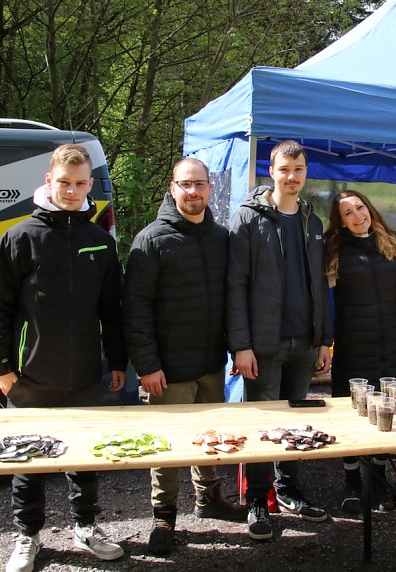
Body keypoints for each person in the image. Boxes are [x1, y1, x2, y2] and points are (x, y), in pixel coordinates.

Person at [0, 144, 127, 572]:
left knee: (84, 454)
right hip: (30, 375)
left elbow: (111, 311)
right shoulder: (20, 236)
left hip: (84, 373)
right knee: (27, 459)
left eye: (81, 183)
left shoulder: (99, 241)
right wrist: (0, 367)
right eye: (64, 182)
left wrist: (116, 362)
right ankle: (27, 536)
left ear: (88, 186)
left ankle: (86, 526)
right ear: (49, 181)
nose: (72, 191)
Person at [122, 158, 246, 556]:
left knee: (210, 440)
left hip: (210, 362)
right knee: (169, 446)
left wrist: (233, 346)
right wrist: (147, 366)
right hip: (167, 370)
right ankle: (164, 514)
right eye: (186, 185)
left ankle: (209, 499)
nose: (193, 192)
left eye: (200, 185)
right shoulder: (151, 240)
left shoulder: (221, 238)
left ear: (210, 188)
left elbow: (231, 300)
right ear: (172, 187)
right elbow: (135, 309)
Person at [227, 140, 333, 540]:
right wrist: (240, 344)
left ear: (306, 173)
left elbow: (319, 286)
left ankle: (289, 490)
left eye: (299, 169)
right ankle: (257, 498)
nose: (292, 177)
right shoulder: (247, 218)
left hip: (305, 343)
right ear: (270, 170)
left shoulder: (313, 222)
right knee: (263, 424)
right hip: (263, 345)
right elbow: (235, 286)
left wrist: (324, 339)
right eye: (285, 169)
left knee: (297, 423)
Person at [325, 190, 396, 513]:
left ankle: (381, 482)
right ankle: (352, 483)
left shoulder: (394, 241)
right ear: (341, 222)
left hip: (392, 347)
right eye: (348, 213)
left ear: (369, 209)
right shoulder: (332, 250)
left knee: (384, 414)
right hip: (352, 346)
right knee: (352, 416)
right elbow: (320, 299)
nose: (357, 216)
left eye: (360, 208)